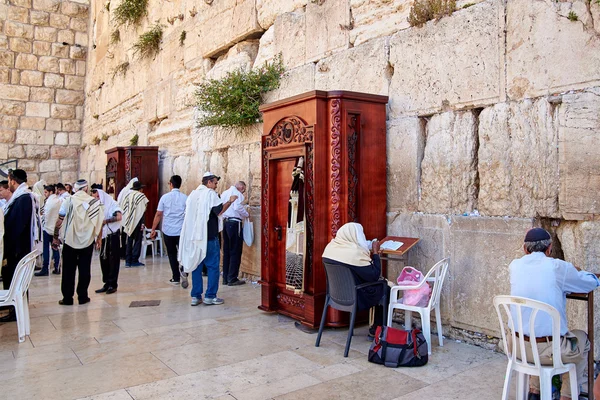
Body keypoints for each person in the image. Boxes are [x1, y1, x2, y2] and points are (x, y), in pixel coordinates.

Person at [510, 228, 600, 400]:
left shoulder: (514, 266)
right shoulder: (557, 267)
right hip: (547, 352)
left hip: (517, 349)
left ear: (524, 249)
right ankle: (567, 395)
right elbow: (589, 283)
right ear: (549, 248)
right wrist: (575, 271)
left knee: (538, 331)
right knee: (582, 340)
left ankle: (534, 392)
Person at [178, 172, 237, 306]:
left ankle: (196, 296)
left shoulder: (192, 195)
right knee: (212, 267)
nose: (216, 186)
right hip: (209, 237)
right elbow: (219, 211)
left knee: (197, 266)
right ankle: (210, 296)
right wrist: (230, 201)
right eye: (215, 183)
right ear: (209, 182)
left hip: (194, 237)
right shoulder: (210, 194)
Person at [321, 222, 389, 336]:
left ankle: (376, 328)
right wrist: (376, 253)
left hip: (335, 297)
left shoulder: (330, 248)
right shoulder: (354, 253)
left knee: (380, 286)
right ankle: (377, 330)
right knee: (386, 288)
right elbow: (374, 275)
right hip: (356, 297)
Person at [52, 179, 103, 305]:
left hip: (70, 240)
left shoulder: (68, 201)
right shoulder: (94, 202)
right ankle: (82, 296)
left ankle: (67, 298)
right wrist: (99, 239)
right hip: (87, 240)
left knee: (68, 271)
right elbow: (99, 222)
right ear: (86, 188)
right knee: (85, 269)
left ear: (75, 189)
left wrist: (55, 237)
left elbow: (60, 220)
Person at [2, 169, 38, 321]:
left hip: (17, 249)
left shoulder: (23, 198)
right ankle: (12, 308)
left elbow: (17, 225)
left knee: (16, 280)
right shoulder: (21, 197)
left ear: (12, 181)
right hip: (16, 248)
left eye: (9, 180)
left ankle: (15, 311)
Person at [150, 175, 188, 286]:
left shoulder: (164, 198)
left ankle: (175, 277)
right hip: (181, 230)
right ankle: (184, 270)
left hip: (168, 230)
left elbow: (158, 214)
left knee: (172, 254)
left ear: (170, 184)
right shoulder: (185, 198)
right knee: (183, 252)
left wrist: (153, 229)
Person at [92, 188, 122, 294]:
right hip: (103, 236)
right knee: (103, 260)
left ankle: (113, 284)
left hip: (112, 236)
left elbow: (118, 217)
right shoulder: (99, 207)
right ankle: (106, 283)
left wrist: (105, 221)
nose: (96, 199)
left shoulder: (112, 204)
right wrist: (98, 238)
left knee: (113, 260)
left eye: (97, 197)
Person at [220, 181, 250, 286]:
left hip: (226, 223)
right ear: (241, 187)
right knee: (235, 251)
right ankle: (232, 278)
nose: (244, 193)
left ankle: (225, 277)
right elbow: (237, 207)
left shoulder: (224, 193)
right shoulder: (237, 194)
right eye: (244, 190)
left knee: (227, 251)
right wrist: (246, 214)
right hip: (235, 223)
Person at [36, 184, 62, 276]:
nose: (45, 194)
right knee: (55, 248)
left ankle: (45, 268)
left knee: (46, 249)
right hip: (56, 229)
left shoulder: (50, 202)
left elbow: (46, 216)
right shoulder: (59, 200)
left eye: (46, 192)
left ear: (51, 192)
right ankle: (57, 267)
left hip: (47, 228)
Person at [122, 180, 148, 267]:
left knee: (129, 240)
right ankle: (134, 260)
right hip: (137, 221)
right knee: (137, 241)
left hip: (129, 221)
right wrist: (143, 223)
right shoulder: (141, 196)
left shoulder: (128, 196)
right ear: (140, 189)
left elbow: (124, 208)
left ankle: (128, 261)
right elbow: (142, 211)